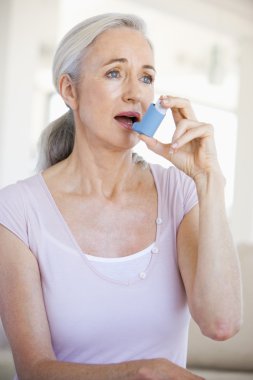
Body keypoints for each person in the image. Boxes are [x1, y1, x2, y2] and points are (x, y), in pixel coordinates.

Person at [0, 12, 242, 380]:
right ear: (69, 90)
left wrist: (210, 180)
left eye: (146, 77)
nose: (135, 92)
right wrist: (141, 372)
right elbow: (35, 370)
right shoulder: (17, 211)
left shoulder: (179, 192)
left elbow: (221, 323)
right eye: (115, 73)